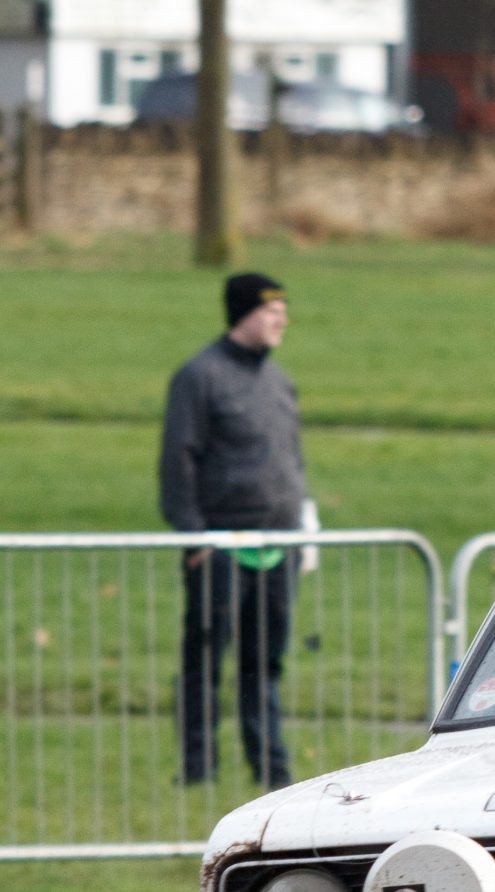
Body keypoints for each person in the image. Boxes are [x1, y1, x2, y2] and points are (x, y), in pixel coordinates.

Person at [161, 271, 309, 789]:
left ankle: (271, 767)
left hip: (279, 546)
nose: (282, 321)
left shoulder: (278, 381)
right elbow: (178, 461)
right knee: (205, 661)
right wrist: (194, 536)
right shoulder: (198, 378)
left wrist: (304, 524)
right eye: (272, 312)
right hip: (220, 547)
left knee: (264, 663)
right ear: (245, 314)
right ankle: (198, 769)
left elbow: (293, 459)